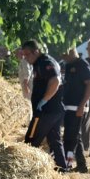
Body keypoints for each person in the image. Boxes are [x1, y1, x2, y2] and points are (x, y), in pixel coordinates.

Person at [21, 39, 67, 170]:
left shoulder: (45, 62)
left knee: (31, 140)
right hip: (54, 110)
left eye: (27, 54)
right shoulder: (38, 63)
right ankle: (62, 169)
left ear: (36, 51)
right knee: (54, 140)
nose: (25, 58)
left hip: (46, 111)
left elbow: (55, 81)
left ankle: (25, 170)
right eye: (23, 55)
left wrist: (44, 100)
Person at [61, 47, 90, 173]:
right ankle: (82, 166)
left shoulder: (82, 65)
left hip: (78, 108)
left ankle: (66, 165)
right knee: (75, 137)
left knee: (70, 139)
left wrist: (82, 105)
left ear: (70, 53)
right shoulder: (69, 65)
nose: (62, 58)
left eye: (64, 55)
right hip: (69, 107)